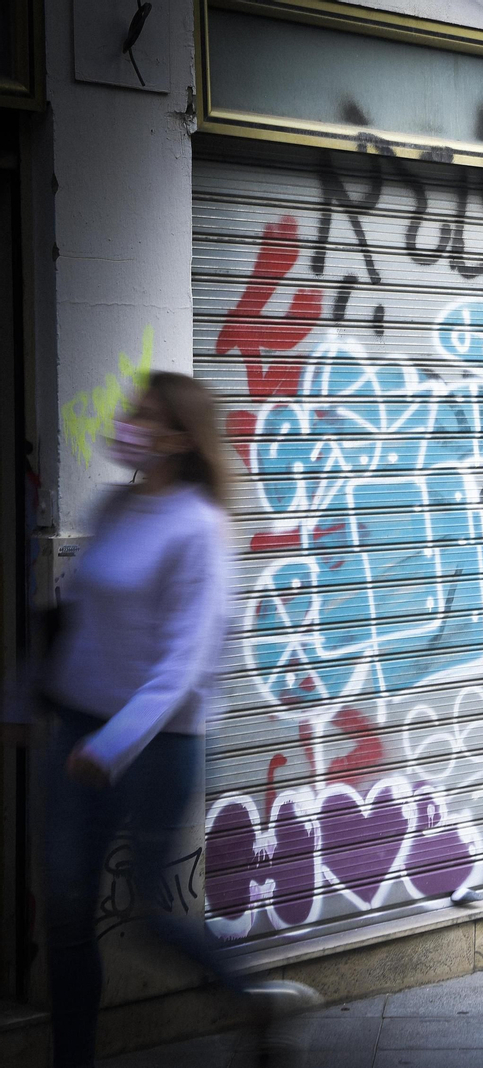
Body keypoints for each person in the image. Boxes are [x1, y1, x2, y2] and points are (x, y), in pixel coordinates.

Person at [39, 372, 319, 1068]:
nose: (128, 418)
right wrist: (28, 704)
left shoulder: (199, 527)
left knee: (152, 915)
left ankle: (253, 996)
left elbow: (184, 661)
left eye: (145, 412)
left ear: (178, 438)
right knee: (67, 912)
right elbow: (76, 621)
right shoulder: (115, 506)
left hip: (157, 743)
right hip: (78, 726)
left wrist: (113, 744)